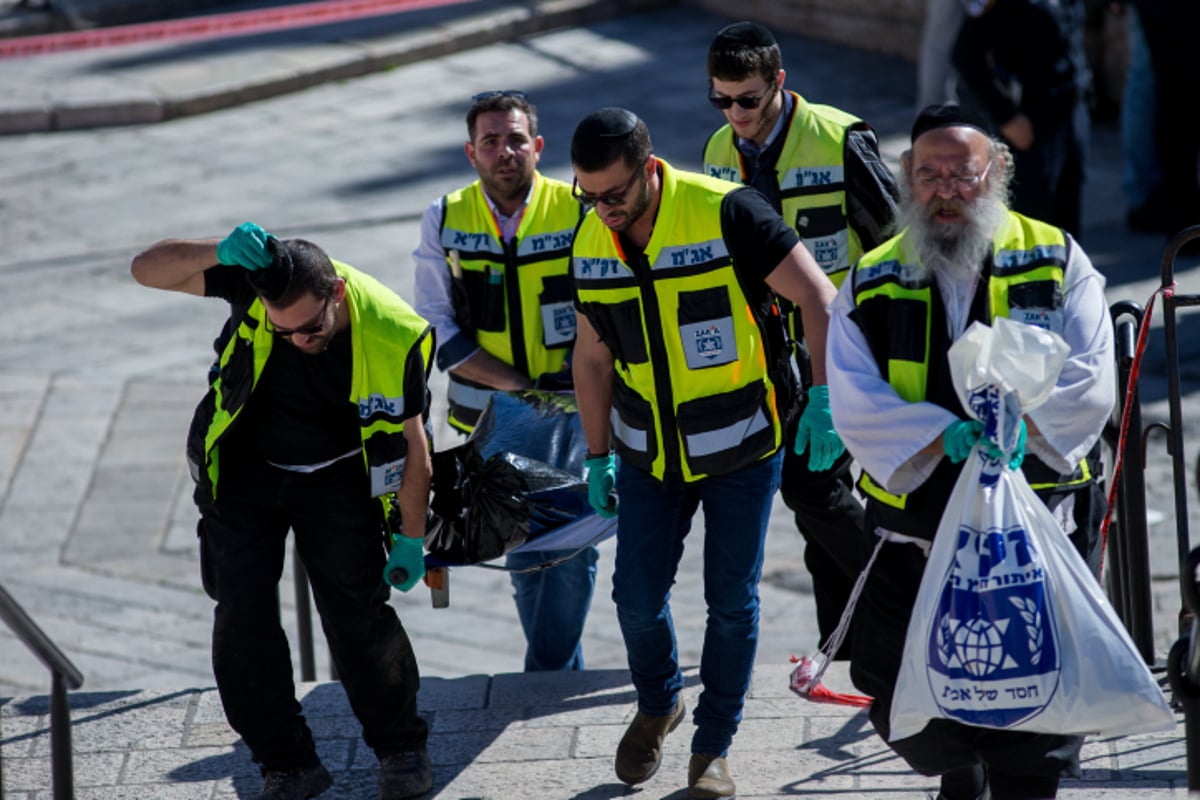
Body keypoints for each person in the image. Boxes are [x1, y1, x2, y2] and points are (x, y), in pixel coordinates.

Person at [826, 104, 1114, 800]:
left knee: (1036, 696)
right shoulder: (873, 275)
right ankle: (963, 761)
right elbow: (854, 393)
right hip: (916, 528)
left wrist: (1021, 428)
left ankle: (1012, 775)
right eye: (929, 174)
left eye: (963, 173)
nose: (945, 189)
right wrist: (939, 433)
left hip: (1034, 524)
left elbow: (1091, 375)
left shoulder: (1054, 256)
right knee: (889, 677)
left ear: (999, 172)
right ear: (907, 180)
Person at [570, 107, 840, 799]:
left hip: (740, 447)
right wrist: (597, 454)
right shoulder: (588, 236)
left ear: (648, 167)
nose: (602, 209)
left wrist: (824, 397)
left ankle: (712, 747)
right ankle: (660, 700)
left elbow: (818, 296)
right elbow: (592, 355)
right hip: (645, 453)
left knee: (731, 601)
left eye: (615, 195)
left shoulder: (728, 213)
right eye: (588, 194)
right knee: (634, 596)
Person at [131, 223, 435, 800]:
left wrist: (411, 539)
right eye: (284, 329)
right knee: (241, 617)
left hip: (340, 477)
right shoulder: (257, 282)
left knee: (357, 613)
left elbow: (415, 447)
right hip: (247, 472)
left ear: (337, 295)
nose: (299, 339)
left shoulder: (394, 333)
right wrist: (218, 250)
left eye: (312, 328)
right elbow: (144, 270)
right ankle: (287, 762)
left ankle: (400, 748)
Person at [701, 20, 899, 659]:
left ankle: (902, 594)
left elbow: (896, 245)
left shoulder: (839, 140)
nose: (735, 114)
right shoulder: (715, 152)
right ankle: (844, 643)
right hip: (773, 355)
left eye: (748, 99)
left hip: (846, 345)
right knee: (819, 506)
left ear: (779, 83)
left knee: (810, 486)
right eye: (721, 100)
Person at [411, 89, 598, 672]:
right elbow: (436, 326)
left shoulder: (578, 209)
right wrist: (519, 388)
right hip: (488, 427)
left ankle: (541, 677)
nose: (504, 151)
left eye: (516, 139)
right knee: (522, 554)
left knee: (570, 554)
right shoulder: (445, 216)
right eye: (490, 141)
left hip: (574, 416)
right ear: (471, 152)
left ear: (537, 146)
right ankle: (558, 679)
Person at [952, 0, 1092, 238]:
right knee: (1032, 222)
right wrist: (1006, 116)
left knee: (1068, 218)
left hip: (1071, 110)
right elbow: (965, 55)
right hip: (1030, 120)